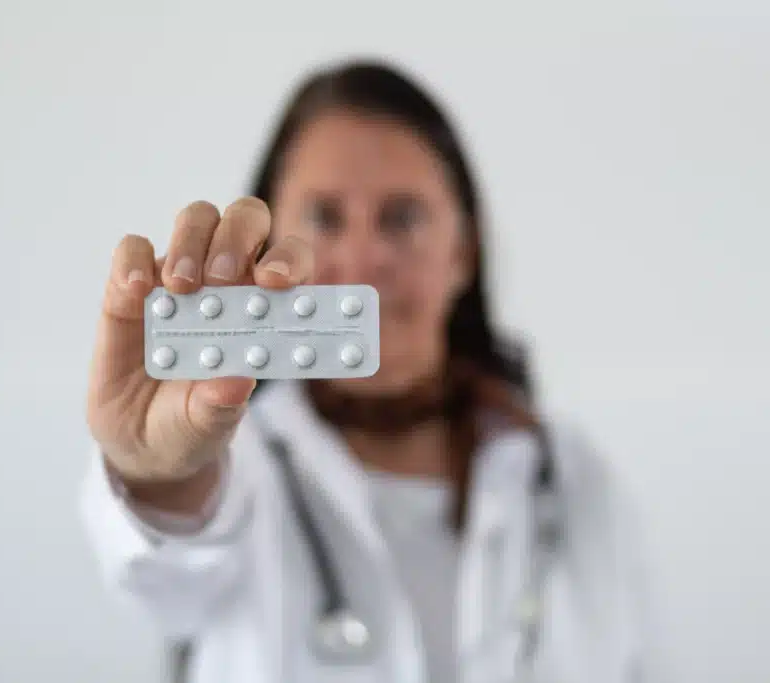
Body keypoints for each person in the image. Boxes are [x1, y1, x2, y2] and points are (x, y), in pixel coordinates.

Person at [80, 59, 666, 683]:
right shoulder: (237, 468)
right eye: (324, 218)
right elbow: (167, 567)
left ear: (463, 254)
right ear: (266, 245)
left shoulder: (574, 481)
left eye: (403, 218)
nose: (361, 262)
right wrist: (158, 472)